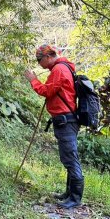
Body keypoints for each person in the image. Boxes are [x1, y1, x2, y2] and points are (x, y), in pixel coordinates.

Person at [24, 44, 84, 209]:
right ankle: (69, 193)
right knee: (68, 157)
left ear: (48, 56)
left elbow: (46, 91)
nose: (39, 64)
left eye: (39, 60)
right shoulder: (63, 68)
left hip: (66, 120)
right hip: (66, 119)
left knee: (70, 158)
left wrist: (33, 80)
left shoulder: (59, 70)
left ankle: (75, 198)